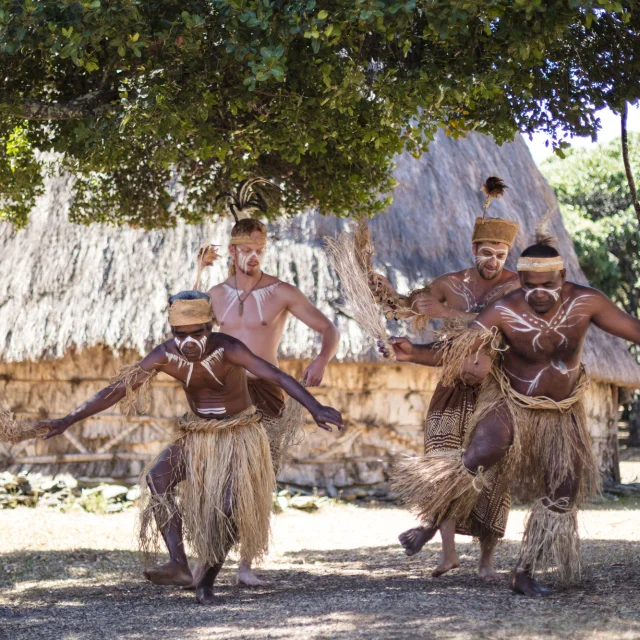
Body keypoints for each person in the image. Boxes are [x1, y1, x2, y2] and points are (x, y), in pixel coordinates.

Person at [35, 291, 343, 605]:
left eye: (197, 333)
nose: (188, 342)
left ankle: (206, 583)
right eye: (180, 335)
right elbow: (117, 390)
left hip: (239, 436)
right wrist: (68, 419)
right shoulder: (165, 355)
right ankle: (179, 564)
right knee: (158, 478)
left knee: (228, 506)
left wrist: (315, 407)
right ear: (171, 333)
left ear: (210, 327)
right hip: (197, 435)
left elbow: (275, 375)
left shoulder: (228, 348)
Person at [388, 215, 640, 596]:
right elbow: (459, 349)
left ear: (563, 275)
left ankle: (523, 572)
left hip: (562, 412)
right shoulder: (505, 308)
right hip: (511, 402)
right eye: (530, 285)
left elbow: (634, 330)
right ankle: (431, 523)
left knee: (562, 490)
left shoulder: (587, 301)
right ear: (520, 279)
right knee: (479, 453)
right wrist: (412, 353)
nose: (539, 293)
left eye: (548, 284)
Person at [373, 212, 520, 579]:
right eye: (487, 252)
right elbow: (409, 309)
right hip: (451, 389)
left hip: (495, 394)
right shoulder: (447, 283)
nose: (493, 261)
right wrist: (384, 293)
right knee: (442, 467)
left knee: (493, 474)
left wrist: (445, 312)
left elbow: (495, 319)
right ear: (473, 249)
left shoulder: (516, 288)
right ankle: (449, 554)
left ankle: (486, 562)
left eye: (501, 255)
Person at [197, 216, 340, 585]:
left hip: (265, 392)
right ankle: (205, 560)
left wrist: (321, 359)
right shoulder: (213, 294)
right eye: (247, 250)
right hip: (224, 393)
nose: (254, 257)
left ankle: (245, 565)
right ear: (232, 251)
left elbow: (328, 328)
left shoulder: (282, 292)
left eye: (260, 250)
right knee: (219, 476)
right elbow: (189, 330)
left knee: (256, 476)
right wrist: (198, 275)